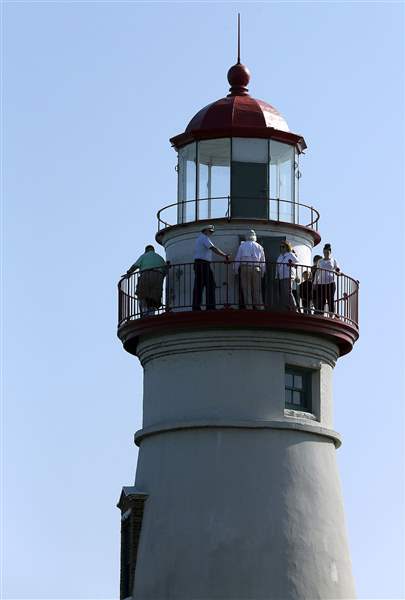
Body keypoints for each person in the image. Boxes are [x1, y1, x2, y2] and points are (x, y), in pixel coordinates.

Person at [192, 225, 229, 310]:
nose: (211, 233)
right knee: (210, 285)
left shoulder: (199, 238)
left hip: (199, 264)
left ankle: (196, 307)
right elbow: (213, 248)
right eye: (210, 231)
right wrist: (224, 255)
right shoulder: (204, 238)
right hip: (203, 264)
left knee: (199, 286)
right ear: (205, 230)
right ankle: (210, 306)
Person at [126, 245, 167, 316]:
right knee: (154, 297)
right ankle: (152, 314)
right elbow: (165, 270)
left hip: (146, 275)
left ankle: (144, 313)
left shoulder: (144, 256)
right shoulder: (160, 258)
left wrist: (129, 273)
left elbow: (135, 266)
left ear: (146, 250)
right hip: (158, 277)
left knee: (142, 294)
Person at [234, 230, 266, 309]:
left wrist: (235, 270)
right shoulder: (259, 247)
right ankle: (259, 307)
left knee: (246, 288)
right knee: (257, 289)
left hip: (245, 268)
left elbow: (238, 258)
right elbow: (263, 261)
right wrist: (262, 272)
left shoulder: (242, 246)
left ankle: (249, 307)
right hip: (256, 268)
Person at [313, 243, 340, 314]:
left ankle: (332, 315)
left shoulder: (333, 260)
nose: (326, 253)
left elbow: (337, 269)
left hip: (330, 283)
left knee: (330, 299)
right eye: (325, 252)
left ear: (330, 252)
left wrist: (338, 273)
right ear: (323, 252)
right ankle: (321, 314)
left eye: (327, 252)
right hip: (320, 284)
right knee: (321, 300)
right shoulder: (320, 261)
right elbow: (317, 272)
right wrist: (315, 283)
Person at [276, 241, 299, 310]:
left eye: (283, 247)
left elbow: (297, 263)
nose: (281, 248)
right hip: (282, 276)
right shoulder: (280, 257)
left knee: (288, 292)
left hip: (288, 275)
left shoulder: (291, 254)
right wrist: (276, 276)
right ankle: (287, 307)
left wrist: (292, 265)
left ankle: (294, 307)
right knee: (284, 293)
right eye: (280, 247)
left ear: (287, 247)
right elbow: (277, 267)